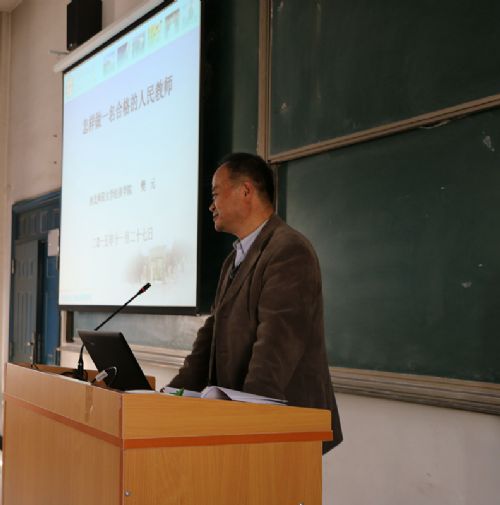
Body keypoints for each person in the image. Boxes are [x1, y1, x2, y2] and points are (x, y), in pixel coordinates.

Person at [169, 152, 342, 452]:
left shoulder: (289, 250)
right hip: (240, 423)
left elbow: (274, 347)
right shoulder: (233, 260)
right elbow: (210, 337)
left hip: (279, 429)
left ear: (246, 191)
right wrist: (172, 394)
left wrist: (247, 424)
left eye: (216, 194)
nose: (211, 206)